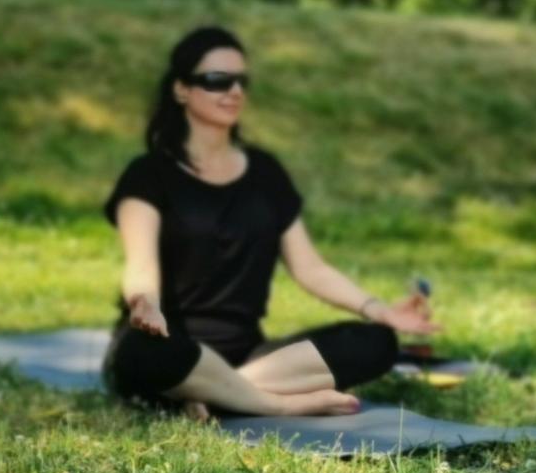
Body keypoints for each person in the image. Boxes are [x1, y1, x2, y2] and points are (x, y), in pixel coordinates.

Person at [103, 26, 440, 420]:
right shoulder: (148, 174)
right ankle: (272, 402)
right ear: (181, 89)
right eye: (217, 80)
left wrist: (381, 310)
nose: (235, 91)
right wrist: (145, 304)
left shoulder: (265, 173)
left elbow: (310, 268)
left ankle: (216, 394)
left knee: (375, 343)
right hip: (171, 345)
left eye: (241, 81)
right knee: (146, 352)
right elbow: (141, 263)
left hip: (249, 355)